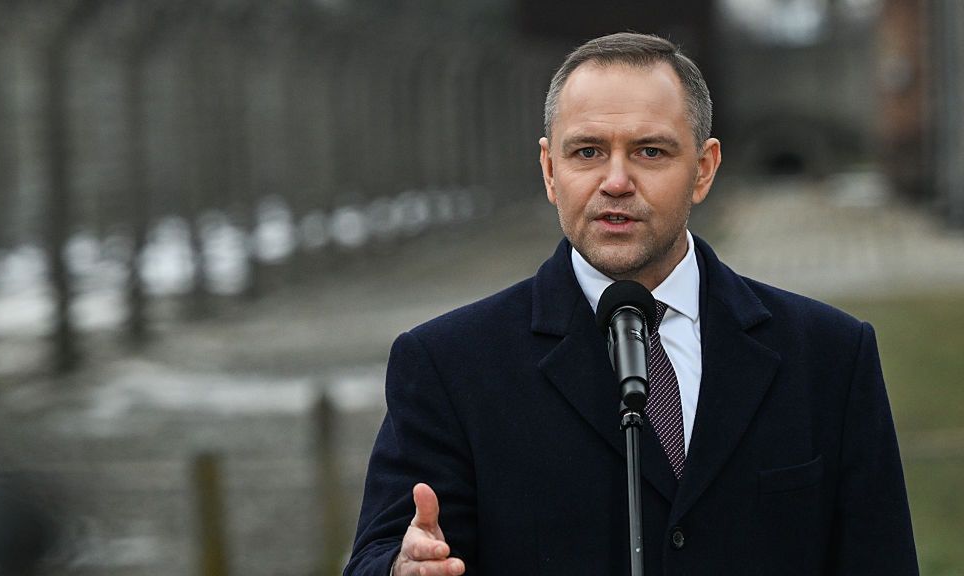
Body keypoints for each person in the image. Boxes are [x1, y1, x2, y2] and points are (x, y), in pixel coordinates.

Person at [344, 32, 918, 576]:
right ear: (550, 170)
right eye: (588, 151)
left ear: (704, 169)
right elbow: (382, 551)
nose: (615, 181)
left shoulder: (829, 356)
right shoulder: (450, 366)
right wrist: (402, 566)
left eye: (649, 151)